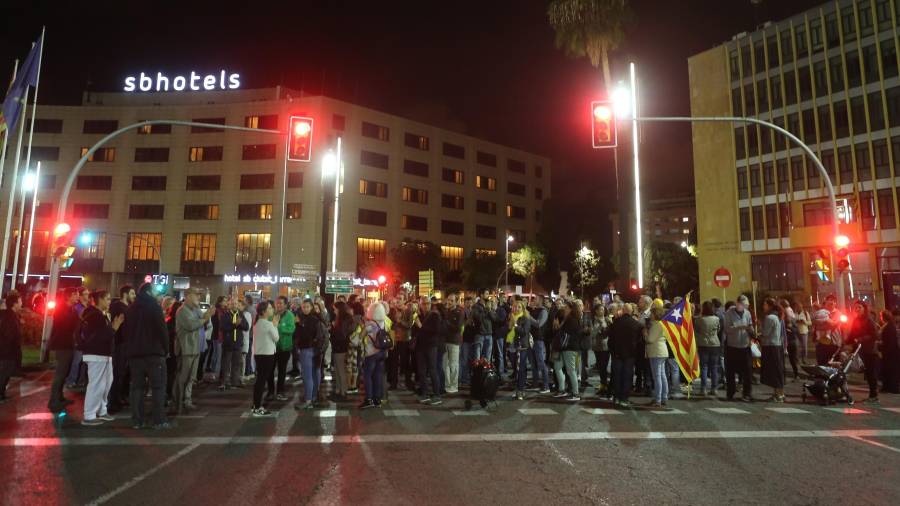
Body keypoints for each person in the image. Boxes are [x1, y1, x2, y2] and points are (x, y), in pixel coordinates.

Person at [124, 283, 172, 430]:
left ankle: (137, 421)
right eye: (157, 293)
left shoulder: (131, 308)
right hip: (154, 353)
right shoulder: (154, 308)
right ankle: (159, 420)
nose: (159, 296)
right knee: (158, 387)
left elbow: (127, 331)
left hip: (135, 354)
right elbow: (162, 331)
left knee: (137, 388)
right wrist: (166, 349)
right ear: (150, 292)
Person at [79, 290, 124, 426]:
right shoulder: (94, 315)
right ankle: (89, 415)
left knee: (106, 383)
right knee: (97, 385)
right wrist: (114, 328)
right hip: (96, 354)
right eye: (107, 299)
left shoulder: (100, 314)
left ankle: (101, 410)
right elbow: (99, 337)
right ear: (99, 300)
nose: (109, 302)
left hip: (104, 355)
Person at [174, 289, 214, 413]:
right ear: (187, 296)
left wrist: (207, 316)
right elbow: (191, 325)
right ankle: (177, 403)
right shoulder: (182, 311)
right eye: (196, 295)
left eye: (199, 295)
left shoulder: (195, 310)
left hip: (195, 347)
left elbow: (204, 321)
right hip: (186, 349)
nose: (198, 297)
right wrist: (206, 317)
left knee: (191, 377)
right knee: (183, 377)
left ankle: (187, 400)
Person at [47, 287, 80, 413]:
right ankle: (53, 400)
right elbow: (67, 325)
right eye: (75, 295)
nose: (77, 297)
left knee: (64, 373)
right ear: (69, 296)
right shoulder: (62, 310)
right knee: (60, 373)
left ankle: (59, 397)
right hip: (62, 344)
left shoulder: (71, 309)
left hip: (68, 344)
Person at [845, 300, 881, 404]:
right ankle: (872, 395)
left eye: (859, 307)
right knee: (867, 373)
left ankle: (874, 396)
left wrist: (861, 339)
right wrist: (845, 342)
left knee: (871, 373)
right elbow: (852, 334)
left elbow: (875, 335)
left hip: (870, 350)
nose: (857, 310)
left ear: (864, 309)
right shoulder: (856, 320)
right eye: (855, 308)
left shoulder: (869, 320)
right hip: (860, 350)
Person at [607, 303, 643, 408]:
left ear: (623, 310)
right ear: (631, 311)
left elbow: (611, 339)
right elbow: (639, 340)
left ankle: (617, 397)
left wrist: (613, 351)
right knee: (627, 377)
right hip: (630, 355)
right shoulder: (636, 324)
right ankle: (624, 398)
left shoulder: (616, 323)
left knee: (617, 376)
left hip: (617, 354)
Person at [295, 299, 328, 409]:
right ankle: (313, 397)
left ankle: (308, 400)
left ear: (311, 307)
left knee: (307, 376)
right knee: (315, 374)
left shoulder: (306, 320)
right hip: (316, 350)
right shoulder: (317, 319)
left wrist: (298, 325)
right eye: (303, 307)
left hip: (307, 350)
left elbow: (303, 336)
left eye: (307, 307)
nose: (305, 309)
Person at [108, 285, 135, 413]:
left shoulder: (126, 308)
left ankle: (119, 398)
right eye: (132, 293)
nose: (134, 296)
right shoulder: (119, 308)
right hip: (119, 345)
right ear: (125, 294)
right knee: (117, 373)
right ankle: (113, 402)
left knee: (122, 373)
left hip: (125, 344)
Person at [724, 295, 755, 402]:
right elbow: (727, 329)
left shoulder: (747, 313)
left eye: (746, 305)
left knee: (747, 371)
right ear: (737, 304)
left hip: (745, 345)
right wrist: (739, 327)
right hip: (732, 346)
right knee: (731, 371)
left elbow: (750, 324)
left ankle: (747, 393)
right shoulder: (729, 314)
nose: (745, 307)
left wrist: (751, 330)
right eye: (743, 305)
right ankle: (730, 392)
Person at [251, 300, 279, 416]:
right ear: (263, 311)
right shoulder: (268, 324)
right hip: (267, 355)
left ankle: (255, 404)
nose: (272, 310)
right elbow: (276, 338)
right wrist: (275, 325)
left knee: (260, 380)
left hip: (259, 354)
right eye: (270, 308)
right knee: (261, 381)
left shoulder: (257, 323)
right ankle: (257, 407)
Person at [360, 302, 389, 409]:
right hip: (382, 352)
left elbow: (359, 337)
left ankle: (369, 399)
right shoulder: (385, 322)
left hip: (371, 353)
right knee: (378, 376)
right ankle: (377, 399)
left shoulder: (370, 325)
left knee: (367, 376)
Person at [65, 286, 92, 392]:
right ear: (80, 296)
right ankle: (71, 380)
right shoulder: (77, 307)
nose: (87, 296)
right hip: (80, 337)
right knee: (77, 360)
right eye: (85, 294)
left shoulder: (89, 306)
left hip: (87, 337)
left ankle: (81, 380)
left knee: (85, 361)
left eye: (88, 294)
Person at [416, 298, 443, 405]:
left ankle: (437, 395)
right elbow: (415, 331)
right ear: (420, 305)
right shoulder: (419, 315)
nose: (426, 306)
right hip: (420, 346)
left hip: (431, 346)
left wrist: (421, 327)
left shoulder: (435, 315)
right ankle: (425, 394)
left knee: (432, 370)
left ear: (430, 304)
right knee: (422, 371)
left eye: (427, 303)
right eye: (423, 304)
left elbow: (436, 331)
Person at [759, 298, 786, 402]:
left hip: (770, 346)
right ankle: (778, 393)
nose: (763, 307)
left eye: (765, 305)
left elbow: (765, 333)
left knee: (774, 371)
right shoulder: (778, 316)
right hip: (777, 345)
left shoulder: (770, 317)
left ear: (770, 306)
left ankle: (778, 394)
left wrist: (759, 333)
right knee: (777, 370)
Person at [0, 293, 23, 403]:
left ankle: (2, 393)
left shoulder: (11, 315)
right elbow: (9, 335)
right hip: (7, 350)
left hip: (8, 350)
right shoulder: (9, 317)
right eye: (20, 301)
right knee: (5, 372)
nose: (21, 303)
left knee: (6, 372)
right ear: (14, 304)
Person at [272, 296, 295, 401]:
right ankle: (271, 391)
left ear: (285, 305)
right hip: (272, 347)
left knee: (282, 371)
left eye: (281, 303)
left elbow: (291, 330)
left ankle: (280, 391)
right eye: (277, 303)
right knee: (270, 370)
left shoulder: (290, 315)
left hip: (284, 348)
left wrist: (279, 326)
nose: (278, 305)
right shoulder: (272, 314)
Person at [645, 306, 669, 408]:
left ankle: (658, 399)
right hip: (661, 351)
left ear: (655, 315)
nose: (650, 315)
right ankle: (663, 397)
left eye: (651, 313)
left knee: (657, 376)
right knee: (662, 375)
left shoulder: (656, 325)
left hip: (656, 352)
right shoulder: (661, 324)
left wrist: (645, 334)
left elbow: (650, 339)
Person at [696, 301, 721, 396]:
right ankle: (714, 388)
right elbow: (718, 329)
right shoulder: (717, 319)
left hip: (703, 344)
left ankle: (703, 389)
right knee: (714, 367)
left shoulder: (699, 320)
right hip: (715, 344)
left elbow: (697, 330)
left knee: (704, 367)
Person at [330, 302, 354, 401]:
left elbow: (342, 334)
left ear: (339, 309)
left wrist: (332, 330)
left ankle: (343, 392)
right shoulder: (341, 318)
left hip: (341, 347)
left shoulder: (345, 319)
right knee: (337, 370)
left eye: (335, 308)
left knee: (340, 370)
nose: (334, 310)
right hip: (338, 346)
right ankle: (338, 390)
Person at [442, 294, 464, 394]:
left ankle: (454, 386)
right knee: (445, 365)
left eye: (451, 300)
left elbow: (458, 328)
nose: (449, 302)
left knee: (454, 365)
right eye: (448, 300)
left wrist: (447, 323)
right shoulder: (446, 311)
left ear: (456, 301)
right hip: (444, 341)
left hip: (454, 341)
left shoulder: (460, 312)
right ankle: (447, 385)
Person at [813, 296, 842, 365]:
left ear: (835, 303)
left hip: (834, 343)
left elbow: (832, 325)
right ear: (825, 302)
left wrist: (821, 325)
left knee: (834, 365)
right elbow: (814, 323)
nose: (831, 302)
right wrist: (825, 324)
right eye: (829, 300)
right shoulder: (820, 312)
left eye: (833, 301)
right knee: (822, 365)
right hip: (821, 343)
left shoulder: (838, 313)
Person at [590, 304, 611, 394]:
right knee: (600, 367)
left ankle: (604, 385)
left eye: (603, 309)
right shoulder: (593, 320)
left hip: (606, 347)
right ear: (596, 311)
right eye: (600, 309)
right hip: (597, 347)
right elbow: (593, 334)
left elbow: (609, 332)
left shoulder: (607, 320)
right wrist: (598, 327)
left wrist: (604, 325)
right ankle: (603, 385)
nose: (602, 311)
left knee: (603, 367)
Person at [471, 290, 494, 362]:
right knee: (477, 358)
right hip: (480, 335)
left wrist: (490, 310)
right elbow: (478, 318)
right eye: (486, 294)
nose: (488, 295)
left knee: (487, 358)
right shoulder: (475, 307)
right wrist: (486, 310)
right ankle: (477, 373)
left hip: (489, 334)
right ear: (481, 295)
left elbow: (495, 319)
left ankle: (486, 372)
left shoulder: (489, 305)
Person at [882, 309, 900, 394]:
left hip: (892, 351)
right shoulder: (891, 325)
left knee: (893, 370)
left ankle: (893, 387)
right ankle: (891, 387)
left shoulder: (890, 326)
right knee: (892, 369)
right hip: (894, 350)